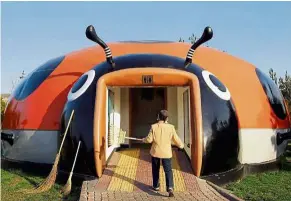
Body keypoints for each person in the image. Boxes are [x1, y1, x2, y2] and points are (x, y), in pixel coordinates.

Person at [142, 109, 184, 197]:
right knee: (168, 170)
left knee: (155, 169)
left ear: (158, 117)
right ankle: (170, 187)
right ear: (166, 118)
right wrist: (181, 145)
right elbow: (176, 139)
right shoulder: (171, 127)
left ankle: (156, 186)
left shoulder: (153, 126)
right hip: (166, 153)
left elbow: (149, 140)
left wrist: (143, 140)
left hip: (155, 152)